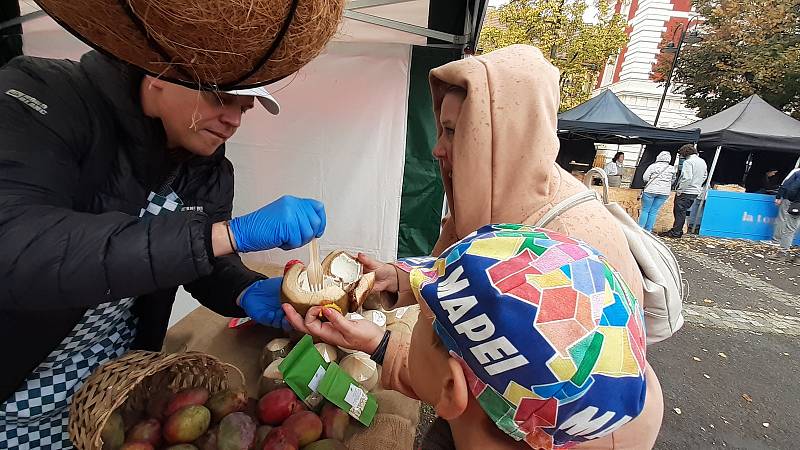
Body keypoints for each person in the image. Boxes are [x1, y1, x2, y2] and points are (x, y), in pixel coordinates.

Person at [284, 44, 662, 449]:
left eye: (452, 131)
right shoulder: (485, 207)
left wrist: (394, 352)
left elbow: (558, 403)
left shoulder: (577, 239)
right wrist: (401, 283)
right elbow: (471, 344)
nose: (436, 149)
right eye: (440, 128)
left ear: (501, 138)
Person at [0, 0, 343, 441]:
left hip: (117, 387)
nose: (234, 121)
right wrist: (226, 234)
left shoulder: (208, 170)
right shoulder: (42, 97)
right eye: (222, 97)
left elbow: (200, 260)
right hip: (20, 390)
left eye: (247, 107)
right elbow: (17, 245)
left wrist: (242, 289)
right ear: (160, 71)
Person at [285, 225, 663, 449]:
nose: (414, 319)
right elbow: (468, 387)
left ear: (452, 388)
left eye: (422, 316)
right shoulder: (528, 422)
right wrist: (379, 345)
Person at [659, 144, 707, 238]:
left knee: (679, 212)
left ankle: (676, 232)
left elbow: (687, 178)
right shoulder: (702, 161)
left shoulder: (688, 162)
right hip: (695, 191)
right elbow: (705, 175)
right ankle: (677, 230)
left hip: (686, 191)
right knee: (683, 212)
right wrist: (697, 184)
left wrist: (680, 190)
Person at [638, 151, 676, 232]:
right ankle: (648, 230)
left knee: (645, 210)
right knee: (654, 211)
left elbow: (645, 178)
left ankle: (640, 229)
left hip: (650, 190)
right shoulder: (672, 168)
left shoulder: (653, 166)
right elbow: (673, 180)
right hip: (664, 192)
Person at [771, 168, 800, 262]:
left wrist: (788, 198)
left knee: (789, 228)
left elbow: (790, 186)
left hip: (796, 203)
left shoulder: (797, 172)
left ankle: (782, 252)